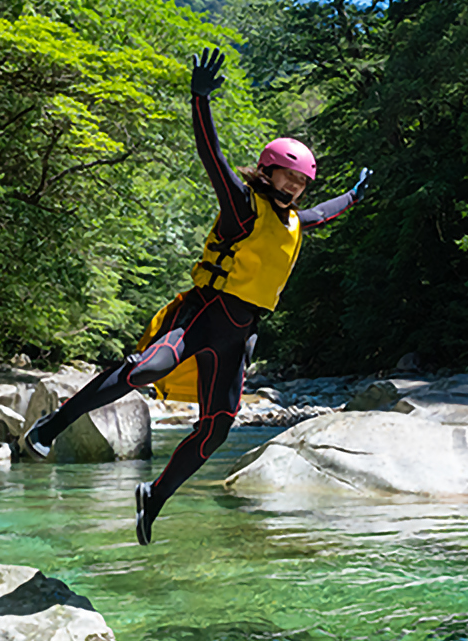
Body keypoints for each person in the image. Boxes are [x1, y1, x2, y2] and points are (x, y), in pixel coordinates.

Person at [23, 49, 374, 544]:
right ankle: (50, 426)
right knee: (145, 369)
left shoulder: (293, 219)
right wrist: (199, 99)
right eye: (288, 177)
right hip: (201, 316)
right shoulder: (242, 206)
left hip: (241, 336)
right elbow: (212, 155)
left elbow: (322, 214)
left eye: (301, 183)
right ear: (268, 171)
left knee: (215, 432)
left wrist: (354, 197)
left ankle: (154, 497)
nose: (295, 188)